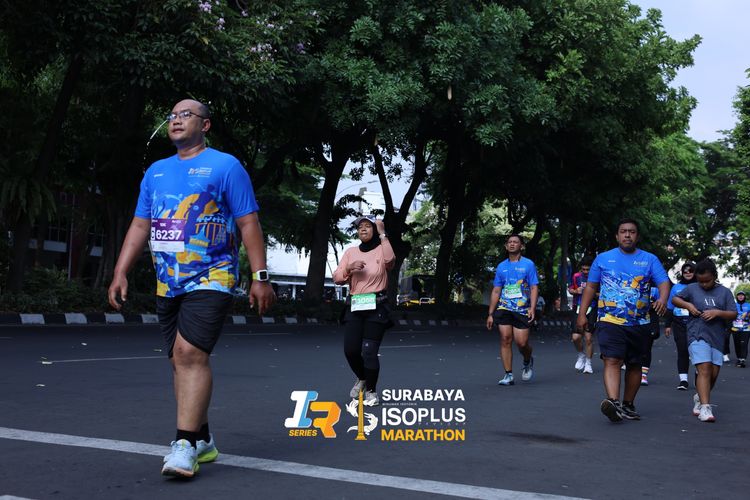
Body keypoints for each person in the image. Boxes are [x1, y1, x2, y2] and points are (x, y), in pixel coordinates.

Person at [108, 99, 276, 478]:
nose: (176, 120)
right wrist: (120, 272)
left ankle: (184, 445)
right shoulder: (156, 172)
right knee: (178, 361)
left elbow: (248, 223)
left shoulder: (226, 166)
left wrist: (260, 276)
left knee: (188, 354)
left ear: (206, 124)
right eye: (172, 115)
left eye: (186, 115)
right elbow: (140, 225)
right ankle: (202, 439)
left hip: (213, 276)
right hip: (168, 281)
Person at [576, 218, 670, 422]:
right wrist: (582, 313)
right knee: (612, 359)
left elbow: (664, 282)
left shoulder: (649, 259)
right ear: (617, 236)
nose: (627, 235)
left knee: (635, 364)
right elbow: (591, 287)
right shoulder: (603, 258)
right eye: (623, 231)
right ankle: (613, 402)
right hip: (609, 319)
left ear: (637, 236)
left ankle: (628, 404)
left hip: (640, 322)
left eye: (632, 231)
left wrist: (662, 299)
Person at [333, 215, 395, 406]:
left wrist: (383, 233)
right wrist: (349, 268)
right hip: (355, 305)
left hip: (377, 306)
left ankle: (371, 392)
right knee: (351, 350)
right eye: (360, 227)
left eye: (368, 226)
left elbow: (390, 260)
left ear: (375, 230)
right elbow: (337, 278)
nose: (363, 229)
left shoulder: (382, 249)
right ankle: (362, 378)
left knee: (369, 351)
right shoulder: (351, 252)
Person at [671, 259, 736, 422]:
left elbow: (733, 313)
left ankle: (699, 397)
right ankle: (705, 408)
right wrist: (688, 305)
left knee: (713, 374)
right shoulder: (692, 288)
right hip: (697, 333)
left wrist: (717, 313)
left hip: (717, 336)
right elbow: (675, 300)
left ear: (715, 276)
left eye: (707, 281)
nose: (704, 285)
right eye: (700, 281)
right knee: (704, 369)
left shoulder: (725, 292)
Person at [486, 234, 539, 386]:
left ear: (521, 246)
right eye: (509, 242)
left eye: (515, 242)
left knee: (522, 343)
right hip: (504, 307)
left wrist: (532, 307)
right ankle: (508, 375)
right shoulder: (501, 266)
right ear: (506, 246)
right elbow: (497, 290)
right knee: (505, 339)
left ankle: (527, 360)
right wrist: (490, 314)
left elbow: (534, 287)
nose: (512, 244)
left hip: (522, 309)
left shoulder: (528, 264)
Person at [665, 262, 696, 389]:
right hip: (679, 323)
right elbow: (670, 307)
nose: (688, 273)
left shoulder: (699, 286)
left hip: (696, 323)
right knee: (682, 350)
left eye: (690, 271)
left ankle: (700, 377)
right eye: (685, 271)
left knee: (696, 351)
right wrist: (668, 325)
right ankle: (683, 381)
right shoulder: (676, 287)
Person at [568, 257, 596, 374]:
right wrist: (575, 291)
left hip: (592, 308)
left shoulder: (597, 277)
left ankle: (588, 363)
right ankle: (581, 354)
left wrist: (590, 293)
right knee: (576, 337)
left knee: (588, 338)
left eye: (588, 270)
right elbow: (570, 289)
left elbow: (602, 293)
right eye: (583, 269)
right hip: (578, 307)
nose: (585, 272)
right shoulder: (576, 277)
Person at [640, 285, 662, 386]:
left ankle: (643, 375)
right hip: (633, 321)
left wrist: (653, 304)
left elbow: (660, 304)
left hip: (650, 321)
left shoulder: (655, 289)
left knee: (646, 349)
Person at [725, 291, 749, 367]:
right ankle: (739, 358)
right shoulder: (733, 305)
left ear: (744, 297)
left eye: (742, 295)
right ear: (737, 297)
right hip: (735, 328)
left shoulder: (748, 305)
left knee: (744, 344)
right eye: (739, 295)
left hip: (746, 328)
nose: (740, 297)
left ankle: (742, 360)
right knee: (737, 344)